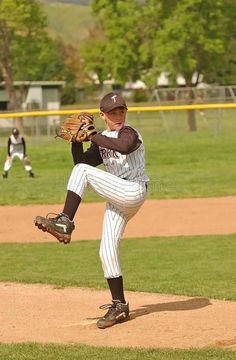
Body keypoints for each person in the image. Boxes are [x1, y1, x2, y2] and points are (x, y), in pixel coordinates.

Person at [34, 92, 149, 329]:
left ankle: (65, 221)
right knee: (106, 250)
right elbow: (82, 165)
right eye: (113, 112)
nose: (118, 116)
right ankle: (119, 306)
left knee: (83, 174)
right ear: (102, 115)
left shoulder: (129, 133)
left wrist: (93, 135)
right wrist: (77, 141)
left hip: (133, 190)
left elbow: (125, 147)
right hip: (117, 195)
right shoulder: (103, 138)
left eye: (121, 111)